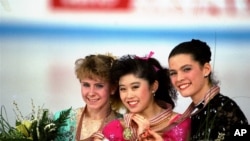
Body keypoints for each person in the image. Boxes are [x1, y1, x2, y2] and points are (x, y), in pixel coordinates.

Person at [168, 39, 249, 140]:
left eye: (187, 69)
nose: (179, 78)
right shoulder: (198, 113)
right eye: (173, 73)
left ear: (206, 70)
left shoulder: (224, 109)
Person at [102, 51, 191, 141]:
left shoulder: (180, 124)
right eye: (123, 89)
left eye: (135, 87)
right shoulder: (114, 128)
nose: (128, 96)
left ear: (153, 86)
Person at [54, 53, 123, 141]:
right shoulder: (61, 120)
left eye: (99, 86)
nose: (91, 93)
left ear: (113, 88)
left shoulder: (125, 126)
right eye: (86, 85)